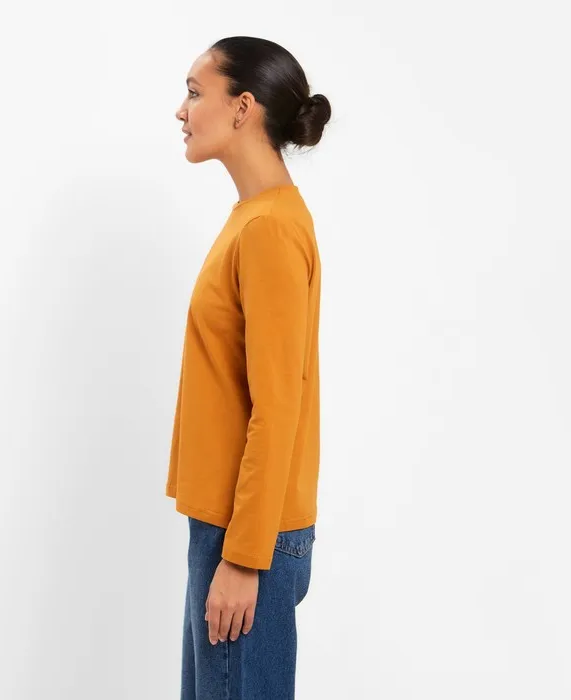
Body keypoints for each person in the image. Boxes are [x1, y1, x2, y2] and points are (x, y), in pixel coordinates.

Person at [168, 35, 331, 699]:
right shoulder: (258, 218)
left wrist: (243, 556)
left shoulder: (267, 229)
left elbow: (278, 403)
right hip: (233, 525)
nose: (181, 110)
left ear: (243, 108)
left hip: (246, 534)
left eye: (194, 92)